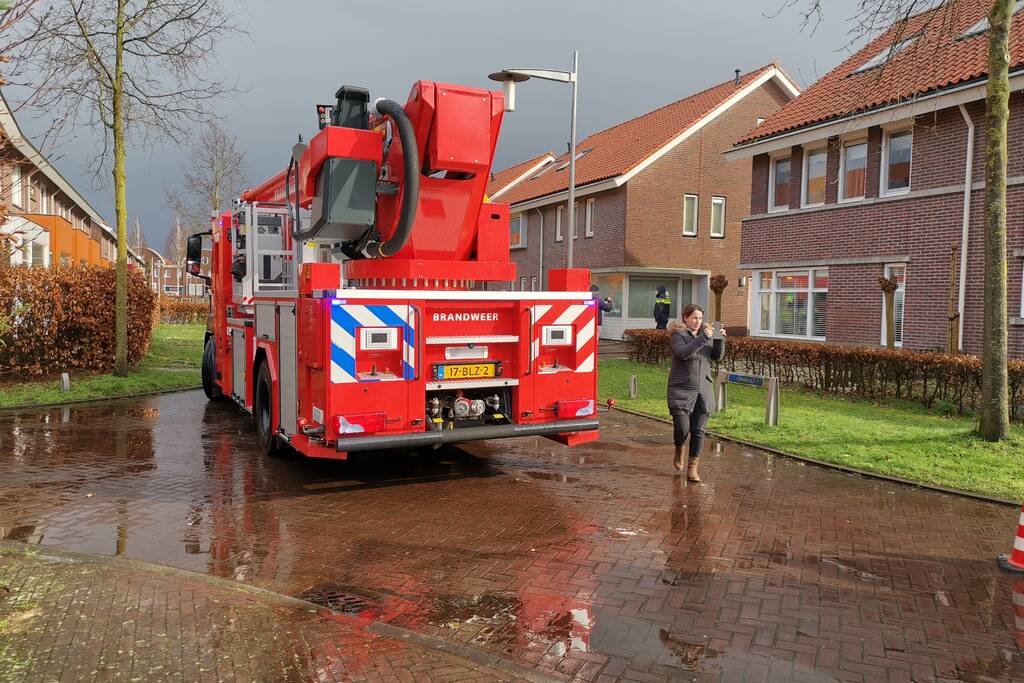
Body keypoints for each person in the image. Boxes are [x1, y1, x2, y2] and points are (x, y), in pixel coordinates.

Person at [667, 303, 726, 482]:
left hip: (703, 388)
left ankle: (692, 468)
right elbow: (683, 353)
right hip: (681, 388)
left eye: (700, 318)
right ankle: (679, 447)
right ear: (685, 317)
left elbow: (716, 356)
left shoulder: (706, 334)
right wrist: (703, 338)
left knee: (698, 430)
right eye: (694, 318)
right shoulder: (678, 335)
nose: (697, 322)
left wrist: (719, 339)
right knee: (682, 428)